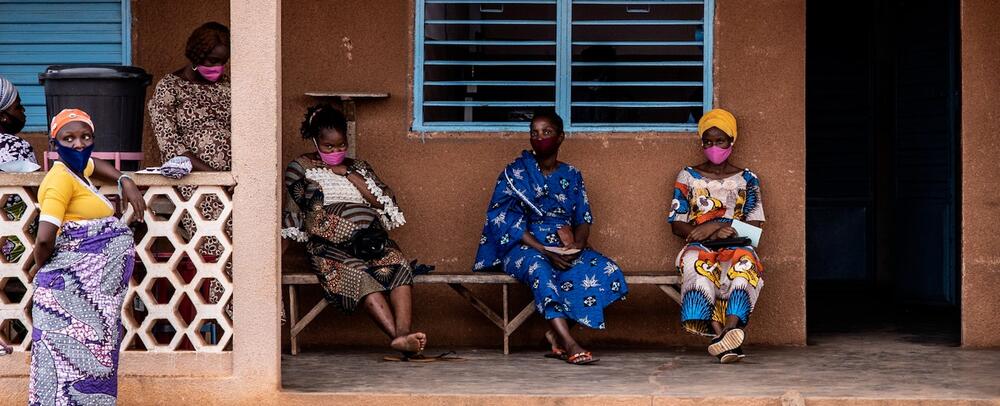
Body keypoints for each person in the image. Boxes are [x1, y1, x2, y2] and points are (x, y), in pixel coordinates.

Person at [475, 111, 627, 365]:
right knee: (541, 270)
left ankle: (556, 335)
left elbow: (582, 218)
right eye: (534, 132)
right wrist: (544, 250)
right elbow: (504, 220)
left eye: (546, 132)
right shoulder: (515, 174)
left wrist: (577, 245)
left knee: (608, 271)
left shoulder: (572, 174)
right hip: (522, 245)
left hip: (563, 244)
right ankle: (569, 343)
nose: (539, 137)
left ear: (560, 137)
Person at [282, 104, 426, 357]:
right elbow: (304, 210)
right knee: (360, 274)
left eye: (341, 145)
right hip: (329, 248)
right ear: (315, 140)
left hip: (371, 242)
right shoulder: (301, 167)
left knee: (399, 265)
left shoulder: (359, 167)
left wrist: (348, 173)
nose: (336, 151)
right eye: (329, 146)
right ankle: (398, 338)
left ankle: (404, 332)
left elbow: (381, 201)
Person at [26, 109, 146, 404]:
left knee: (89, 371)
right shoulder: (59, 181)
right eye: (69, 138)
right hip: (70, 300)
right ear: (54, 146)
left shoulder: (77, 173)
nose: (78, 144)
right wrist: (43, 270)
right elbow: (44, 238)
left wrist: (124, 179)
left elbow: (94, 165)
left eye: (85, 136)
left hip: (93, 302)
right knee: (66, 376)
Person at [667, 108, 765, 364]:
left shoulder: (747, 179)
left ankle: (730, 329)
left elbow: (754, 227)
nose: (714, 146)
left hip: (737, 245)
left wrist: (712, 226)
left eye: (720, 141)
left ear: (731, 142)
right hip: (699, 245)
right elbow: (677, 224)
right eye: (708, 141)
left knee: (746, 262)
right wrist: (709, 234)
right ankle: (724, 337)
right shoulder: (687, 176)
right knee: (696, 263)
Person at [148, 21, 232, 315]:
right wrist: (215, 177)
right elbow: (171, 147)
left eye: (223, 62)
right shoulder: (169, 89)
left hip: (235, 185)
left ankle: (254, 329)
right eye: (212, 62)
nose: (218, 68)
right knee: (223, 248)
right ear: (196, 57)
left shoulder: (228, 88)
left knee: (255, 245)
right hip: (198, 188)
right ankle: (223, 320)